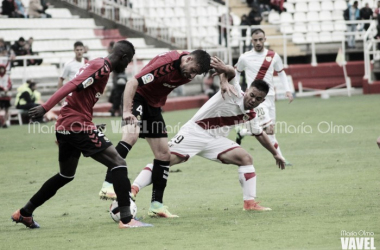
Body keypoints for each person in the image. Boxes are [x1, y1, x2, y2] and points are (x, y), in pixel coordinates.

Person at [11, 40, 153, 229]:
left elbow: (80, 98)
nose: (126, 66)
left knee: (66, 175)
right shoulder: (101, 67)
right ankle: (127, 220)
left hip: (68, 124)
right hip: (75, 125)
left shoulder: (97, 65)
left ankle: (24, 213)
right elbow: (71, 85)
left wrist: (88, 124)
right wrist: (46, 107)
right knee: (118, 163)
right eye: (128, 62)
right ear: (124, 56)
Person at [129, 63, 286, 216]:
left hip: (215, 140)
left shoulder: (251, 115)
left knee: (246, 158)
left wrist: (275, 153)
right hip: (194, 132)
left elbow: (260, 134)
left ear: (262, 101)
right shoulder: (235, 91)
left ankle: (249, 203)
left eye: (258, 98)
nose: (253, 100)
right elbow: (231, 72)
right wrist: (224, 71)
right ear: (248, 90)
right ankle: (133, 189)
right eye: (252, 95)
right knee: (165, 160)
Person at [98, 49, 211, 217]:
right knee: (131, 136)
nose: (192, 76)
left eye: (197, 74)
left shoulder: (190, 67)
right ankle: (108, 185)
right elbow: (132, 83)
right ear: (187, 59)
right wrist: (127, 112)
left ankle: (156, 206)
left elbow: (218, 67)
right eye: (193, 70)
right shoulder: (165, 64)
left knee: (164, 155)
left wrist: (224, 78)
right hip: (137, 97)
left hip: (154, 106)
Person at [234, 28, 293, 167]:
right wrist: (236, 89)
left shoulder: (273, 56)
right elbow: (236, 72)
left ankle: (242, 132)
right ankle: (281, 157)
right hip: (256, 100)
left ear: (265, 39)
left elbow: (281, 72)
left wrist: (288, 90)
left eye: (261, 39)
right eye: (255, 40)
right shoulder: (245, 57)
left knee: (271, 132)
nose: (258, 42)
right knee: (269, 129)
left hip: (270, 98)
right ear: (251, 41)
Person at [0, 63, 12, 128]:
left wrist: (7, 88)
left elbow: (10, 84)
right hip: (0, 95)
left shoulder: (7, 76)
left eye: (2, 69)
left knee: (6, 109)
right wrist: (2, 88)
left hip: (6, 95)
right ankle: (1, 121)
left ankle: (6, 121)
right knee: (1, 109)